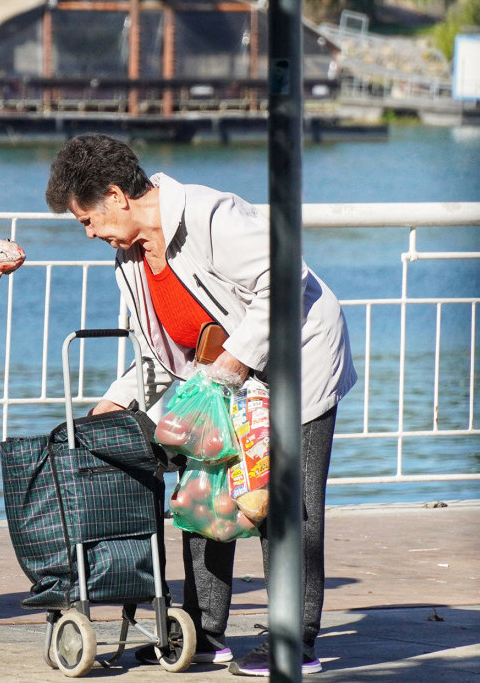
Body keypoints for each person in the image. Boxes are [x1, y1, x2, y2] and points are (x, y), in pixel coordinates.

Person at [44, 134, 356, 677]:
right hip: (218, 379)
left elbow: (286, 276)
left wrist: (237, 359)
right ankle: (203, 632)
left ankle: (294, 640)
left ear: (115, 196)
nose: (89, 233)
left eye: (86, 220)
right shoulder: (131, 259)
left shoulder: (211, 215)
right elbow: (159, 351)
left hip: (295, 360)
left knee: (284, 501)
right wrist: (114, 401)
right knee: (200, 496)